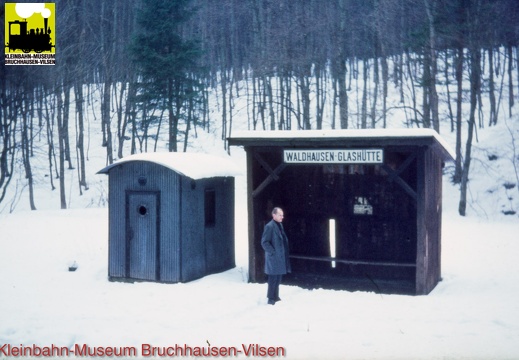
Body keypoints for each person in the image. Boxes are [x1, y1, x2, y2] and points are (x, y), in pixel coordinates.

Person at [261, 207, 291, 305]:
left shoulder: (280, 225)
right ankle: (270, 298)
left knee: (278, 277)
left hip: (280, 257)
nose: (282, 217)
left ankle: (276, 296)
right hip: (274, 257)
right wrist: (273, 252)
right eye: (280, 215)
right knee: (273, 278)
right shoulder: (269, 226)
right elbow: (264, 242)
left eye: (282, 215)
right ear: (274, 215)